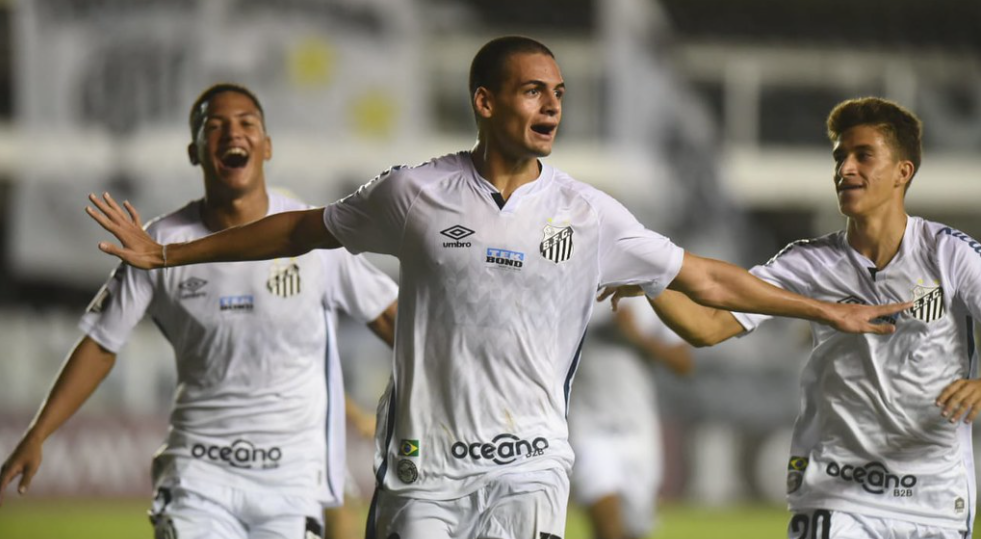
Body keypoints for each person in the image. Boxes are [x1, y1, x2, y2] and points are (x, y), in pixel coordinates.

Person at [80, 38, 909, 539]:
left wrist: (822, 307)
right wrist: (169, 257)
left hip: (529, 467)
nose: (550, 104)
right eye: (531, 90)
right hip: (422, 472)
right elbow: (299, 229)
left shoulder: (588, 214)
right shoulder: (412, 194)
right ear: (485, 102)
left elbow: (706, 278)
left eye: (557, 93)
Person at [0, 84, 399, 539]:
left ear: (266, 146)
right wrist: (38, 433)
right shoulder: (159, 244)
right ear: (195, 152)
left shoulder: (313, 236)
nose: (233, 133)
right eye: (215, 126)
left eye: (247, 123)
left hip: (292, 479)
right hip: (198, 474)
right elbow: (101, 342)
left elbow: (391, 319)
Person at [606, 97, 981, 539]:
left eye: (864, 156)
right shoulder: (809, 263)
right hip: (838, 492)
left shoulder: (950, 254)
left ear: (904, 171)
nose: (845, 169)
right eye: (840, 156)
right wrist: (654, 279)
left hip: (934, 498)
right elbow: (707, 326)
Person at [568, 296, 693, 539]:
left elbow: (684, 363)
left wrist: (637, 337)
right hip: (588, 426)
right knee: (608, 528)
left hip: (638, 429)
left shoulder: (648, 298)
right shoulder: (577, 290)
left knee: (635, 531)